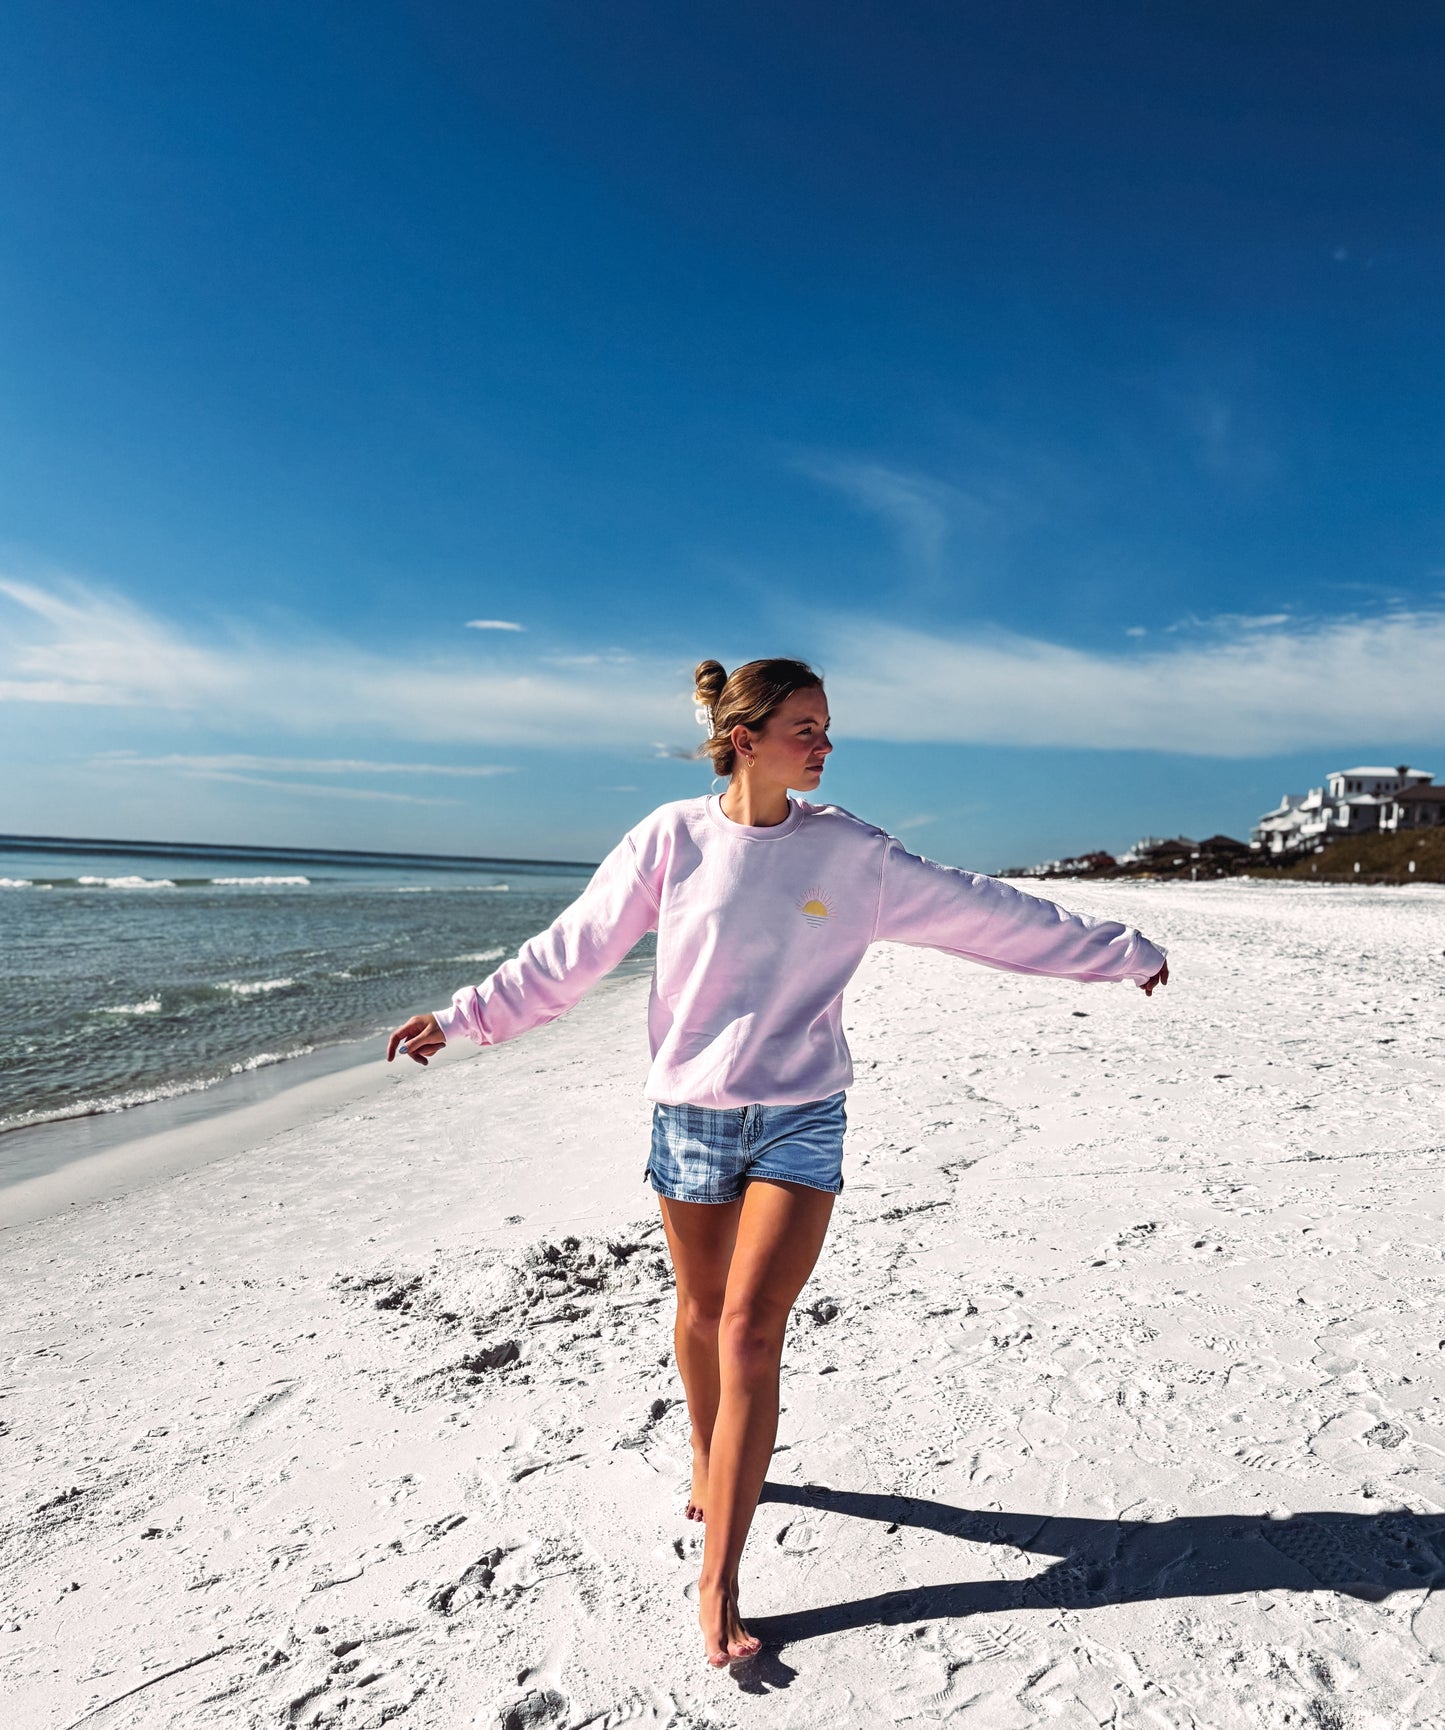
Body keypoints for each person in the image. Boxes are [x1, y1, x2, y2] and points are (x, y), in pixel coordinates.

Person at [387, 656, 1169, 1668]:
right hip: (691, 1117)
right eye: (806, 726)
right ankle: (711, 1462)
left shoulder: (851, 853)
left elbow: (987, 913)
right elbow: (573, 948)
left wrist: (1119, 949)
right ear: (744, 735)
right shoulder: (668, 840)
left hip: (800, 1117)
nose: (825, 744)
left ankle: (718, 1575)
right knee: (702, 1314)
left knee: (752, 1329)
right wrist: (466, 1017)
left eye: (828, 726)